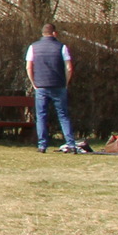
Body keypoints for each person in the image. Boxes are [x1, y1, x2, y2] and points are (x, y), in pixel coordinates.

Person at [26, 23, 83, 153]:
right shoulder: (62, 47)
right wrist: (66, 82)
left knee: (41, 116)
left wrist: (33, 82)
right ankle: (71, 144)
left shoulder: (33, 47)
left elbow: (28, 67)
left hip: (41, 85)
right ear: (54, 33)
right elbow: (69, 67)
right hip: (58, 85)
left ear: (42, 33)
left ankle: (42, 145)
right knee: (63, 115)